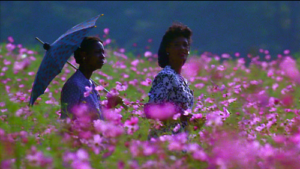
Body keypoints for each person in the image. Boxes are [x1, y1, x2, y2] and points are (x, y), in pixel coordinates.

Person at [146, 22, 194, 139]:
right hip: (164, 140)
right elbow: (152, 110)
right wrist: (180, 115)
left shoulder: (182, 80)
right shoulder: (166, 76)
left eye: (185, 45)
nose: (182, 48)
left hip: (179, 140)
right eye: (177, 45)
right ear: (168, 49)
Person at [60, 36, 123, 120]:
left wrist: (110, 105)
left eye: (103, 52)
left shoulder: (90, 84)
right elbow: (67, 121)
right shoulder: (74, 85)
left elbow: (97, 119)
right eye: (97, 52)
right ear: (84, 55)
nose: (102, 56)